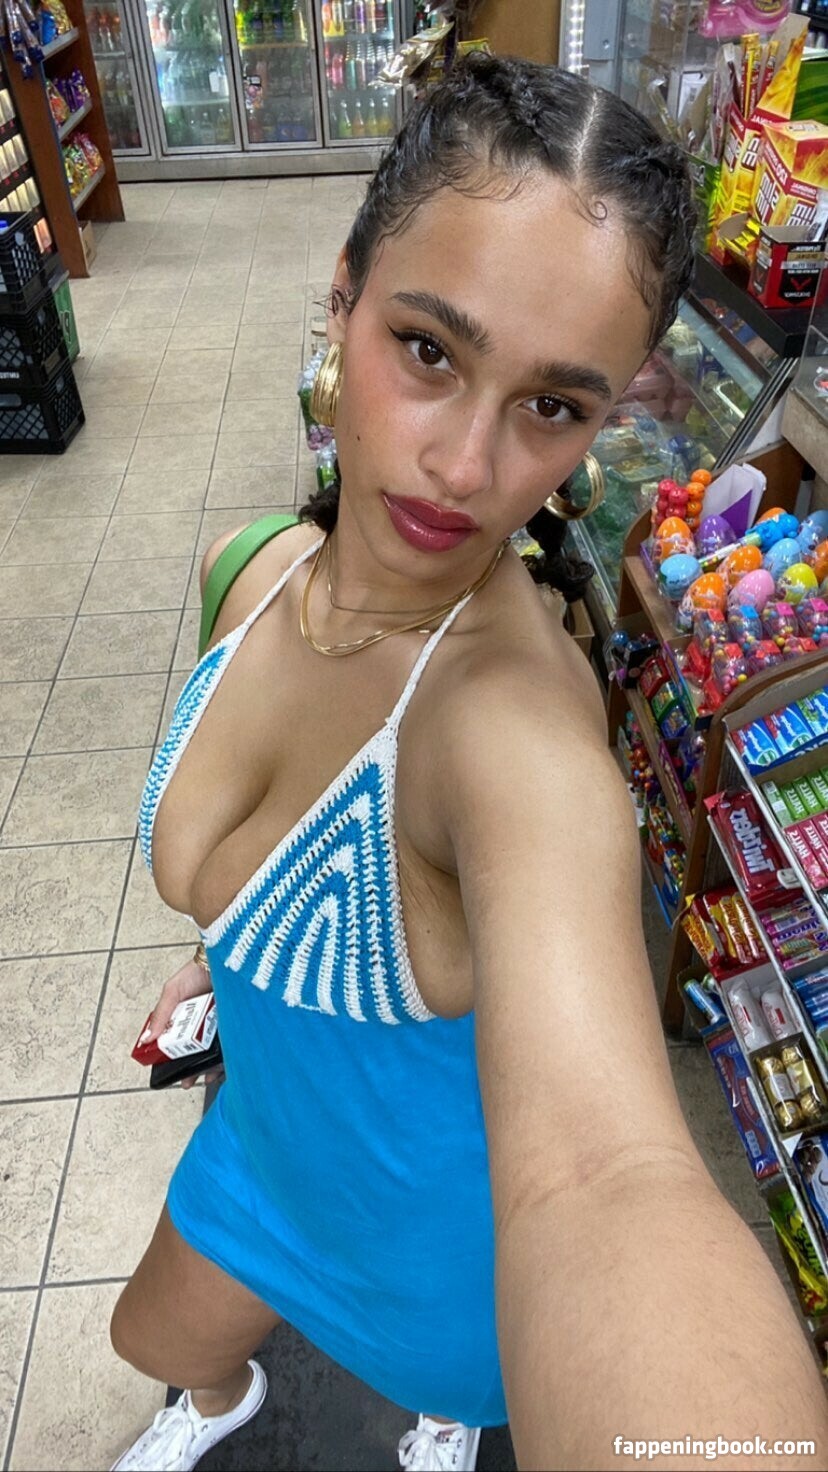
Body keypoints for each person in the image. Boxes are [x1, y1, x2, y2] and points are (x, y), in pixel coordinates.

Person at [109, 55, 828, 1472]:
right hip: (263, 1143)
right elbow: (267, 854)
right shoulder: (248, 571)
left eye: (552, 406)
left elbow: (606, 1173)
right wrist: (237, 957)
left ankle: (450, 1417)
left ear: (603, 422)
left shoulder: (514, 739)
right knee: (155, 1340)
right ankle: (218, 1402)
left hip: (437, 1243)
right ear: (343, 297)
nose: (462, 464)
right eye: (430, 351)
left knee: (454, 1385)